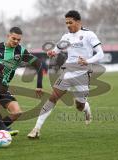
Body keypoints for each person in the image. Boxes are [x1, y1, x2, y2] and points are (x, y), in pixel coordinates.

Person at [27, 10, 104, 138]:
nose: (68, 25)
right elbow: (57, 49)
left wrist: (87, 61)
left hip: (83, 74)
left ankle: (87, 109)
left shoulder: (89, 35)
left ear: (78, 22)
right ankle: (36, 129)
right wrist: (53, 52)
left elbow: (101, 53)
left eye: (70, 22)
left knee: (80, 106)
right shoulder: (66, 37)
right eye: (66, 22)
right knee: (53, 98)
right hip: (68, 70)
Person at [0, 26, 43, 143]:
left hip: (4, 85)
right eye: (14, 39)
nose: (16, 42)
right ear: (8, 36)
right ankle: (4, 130)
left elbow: (39, 64)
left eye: (19, 40)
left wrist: (39, 85)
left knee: (17, 112)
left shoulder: (21, 51)